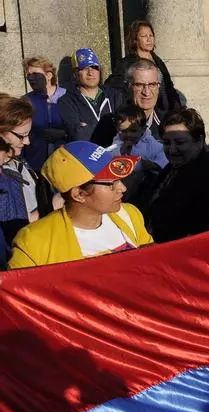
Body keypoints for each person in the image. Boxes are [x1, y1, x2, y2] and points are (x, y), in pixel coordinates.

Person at [8, 141, 152, 269]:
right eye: (111, 183)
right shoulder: (33, 242)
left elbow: (152, 265)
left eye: (120, 180)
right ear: (79, 194)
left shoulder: (130, 215)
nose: (122, 188)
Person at [133, 108, 209, 243]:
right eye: (167, 143)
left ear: (199, 141)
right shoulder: (173, 167)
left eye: (180, 143)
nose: (172, 149)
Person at [0, 94, 54, 230]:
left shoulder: (17, 160)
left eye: (28, 134)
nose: (27, 142)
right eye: (22, 136)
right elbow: (11, 227)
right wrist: (52, 206)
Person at [110, 20, 181, 112]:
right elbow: (115, 89)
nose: (149, 39)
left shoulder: (158, 61)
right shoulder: (126, 63)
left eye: (151, 35)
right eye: (144, 36)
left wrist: (178, 110)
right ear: (135, 40)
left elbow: (169, 88)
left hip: (164, 112)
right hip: (139, 113)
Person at [90, 59, 165, 147]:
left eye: (152, 85)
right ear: (128, 87)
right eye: (139, 85)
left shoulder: (167, 124)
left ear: (158, 87)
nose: (146, 92)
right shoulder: (109, 124)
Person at [58, 48, 124, 143]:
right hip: (86, 151)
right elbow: (78, 135)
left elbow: (125, 128)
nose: (90, 73)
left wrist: (88, 128)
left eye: (94, 67)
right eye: (84, 68)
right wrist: (112, 128)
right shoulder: (66, 102)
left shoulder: (115, 95)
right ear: (75, 74)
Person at [108, 104, 167, 201]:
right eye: (123, 131)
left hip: (146, 187)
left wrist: (153, 165)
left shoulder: (149, 143)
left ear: (143, 129)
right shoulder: (118, 142)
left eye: (133, 130)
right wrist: (122, 151)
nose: (128, 134)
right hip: (122, 188)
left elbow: (163, 157)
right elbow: (110, 157)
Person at [22, 57, 67, 173]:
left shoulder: (68, 97)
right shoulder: (26, 101)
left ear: (49, 75)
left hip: (66, 162)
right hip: (36, 164)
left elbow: (82, 128)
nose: (31, 78)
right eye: (28, 75)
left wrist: (64, 134)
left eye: (35, 74)